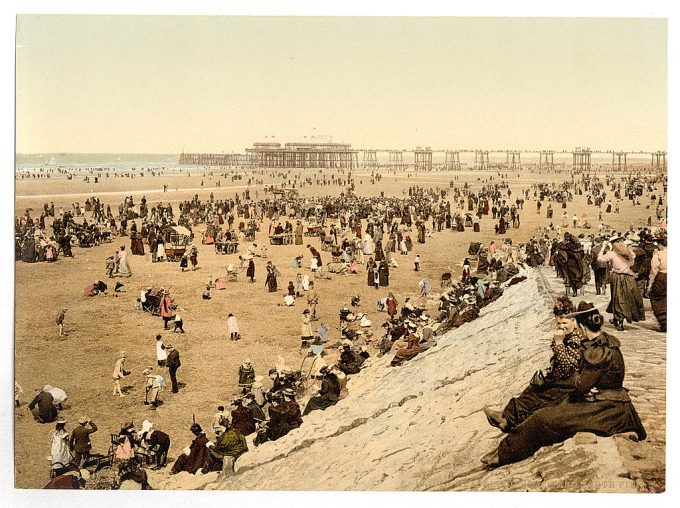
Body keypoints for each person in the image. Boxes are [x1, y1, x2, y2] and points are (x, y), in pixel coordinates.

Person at [481, 302, 647, 468]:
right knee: (544, 411)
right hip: (604, 402)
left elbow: (581, 384)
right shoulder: (604, 343)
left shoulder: (599, 351)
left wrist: (582, 382)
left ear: (581, 327)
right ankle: (506, 443)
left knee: (542, 418)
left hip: (607, 409)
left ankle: (505, 453)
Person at [483, 297, 584, 432]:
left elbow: (568, 367)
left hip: (567, 383)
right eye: (558, 323)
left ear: (574, 321)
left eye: (565, 323)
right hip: (559, 378)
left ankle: (506, 420)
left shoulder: (576, 339)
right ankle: (506, 418)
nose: (561, 327)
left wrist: (559, 343)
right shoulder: (567, 336)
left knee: (536, 398)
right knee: (531, 390)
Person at [597, 236, 645, 330]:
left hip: (617, 277)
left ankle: (619, 320)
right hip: (628, 277)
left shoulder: (611, 253)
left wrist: (603, 247)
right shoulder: (628, 252)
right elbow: (631, 264)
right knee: (625, 297)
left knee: (618, 298)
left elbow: (600, 259)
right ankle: (618, 319)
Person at [648, 235, 667, 332]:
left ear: (660, 245)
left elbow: (654, 270)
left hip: (662, 276)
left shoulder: (658, 254)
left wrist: (650, 284)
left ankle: (664, 321)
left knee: (657, 297)